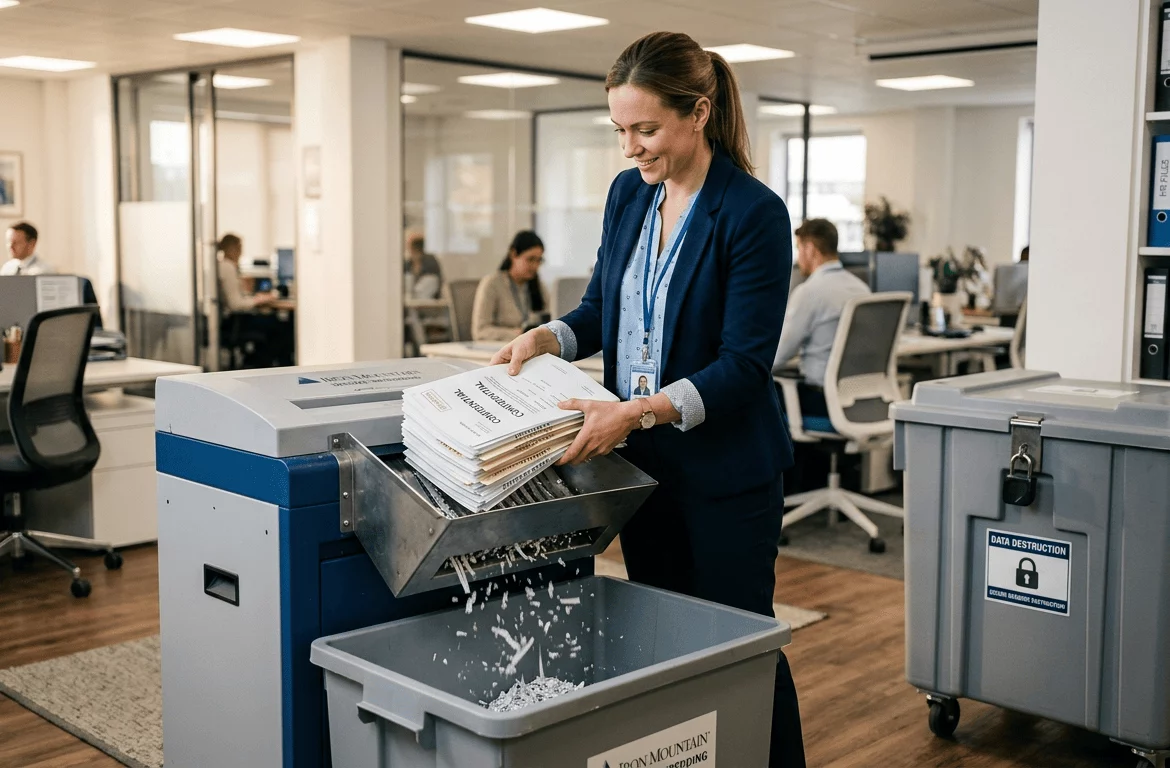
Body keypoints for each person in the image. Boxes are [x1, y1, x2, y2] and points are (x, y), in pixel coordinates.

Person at [491, 31, 805, 767]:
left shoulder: (751, 212)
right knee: (662, 645)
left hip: (727, 472)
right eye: (620, 131)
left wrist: (636, 410)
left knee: (738, 647)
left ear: (698, 112)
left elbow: (744, 366)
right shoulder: (628, 196)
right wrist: (546, 337)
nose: (631, 147)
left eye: (646, 129)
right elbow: (601, 310)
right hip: (644, 466)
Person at [772, 218, 870, 420]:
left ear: (810, 249)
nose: (799, 258)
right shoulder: (862, 289)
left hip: (822, 399)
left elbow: (777, 356)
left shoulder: (809, 292)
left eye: (799, 249)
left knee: (753, 396)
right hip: (860, 399)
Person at [216, 233, 292, 367]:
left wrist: (256, 299)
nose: (241, 252)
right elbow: (236, 304)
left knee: (277, 325)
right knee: (282, 329)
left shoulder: (223, 266)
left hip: (233, 321)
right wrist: (258, 300)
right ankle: (256, 364)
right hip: (235, 322)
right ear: (233, 248)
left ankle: (258, 362)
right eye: (240, 248)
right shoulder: (227, 267)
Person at [472, 230, 550, 341]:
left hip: (530, 348)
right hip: (500, 349)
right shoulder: (492, 284)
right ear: (513, 254)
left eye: (539, 260)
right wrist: (518, 334)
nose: (535, 266)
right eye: (530, 259)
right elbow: (480, 331)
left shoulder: (539, 286)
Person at [404, 231, 443, 299]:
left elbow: (421, 290)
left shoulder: (430, 263)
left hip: (427, 302)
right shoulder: (408, 264)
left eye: (411, 249)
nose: (410, 252)